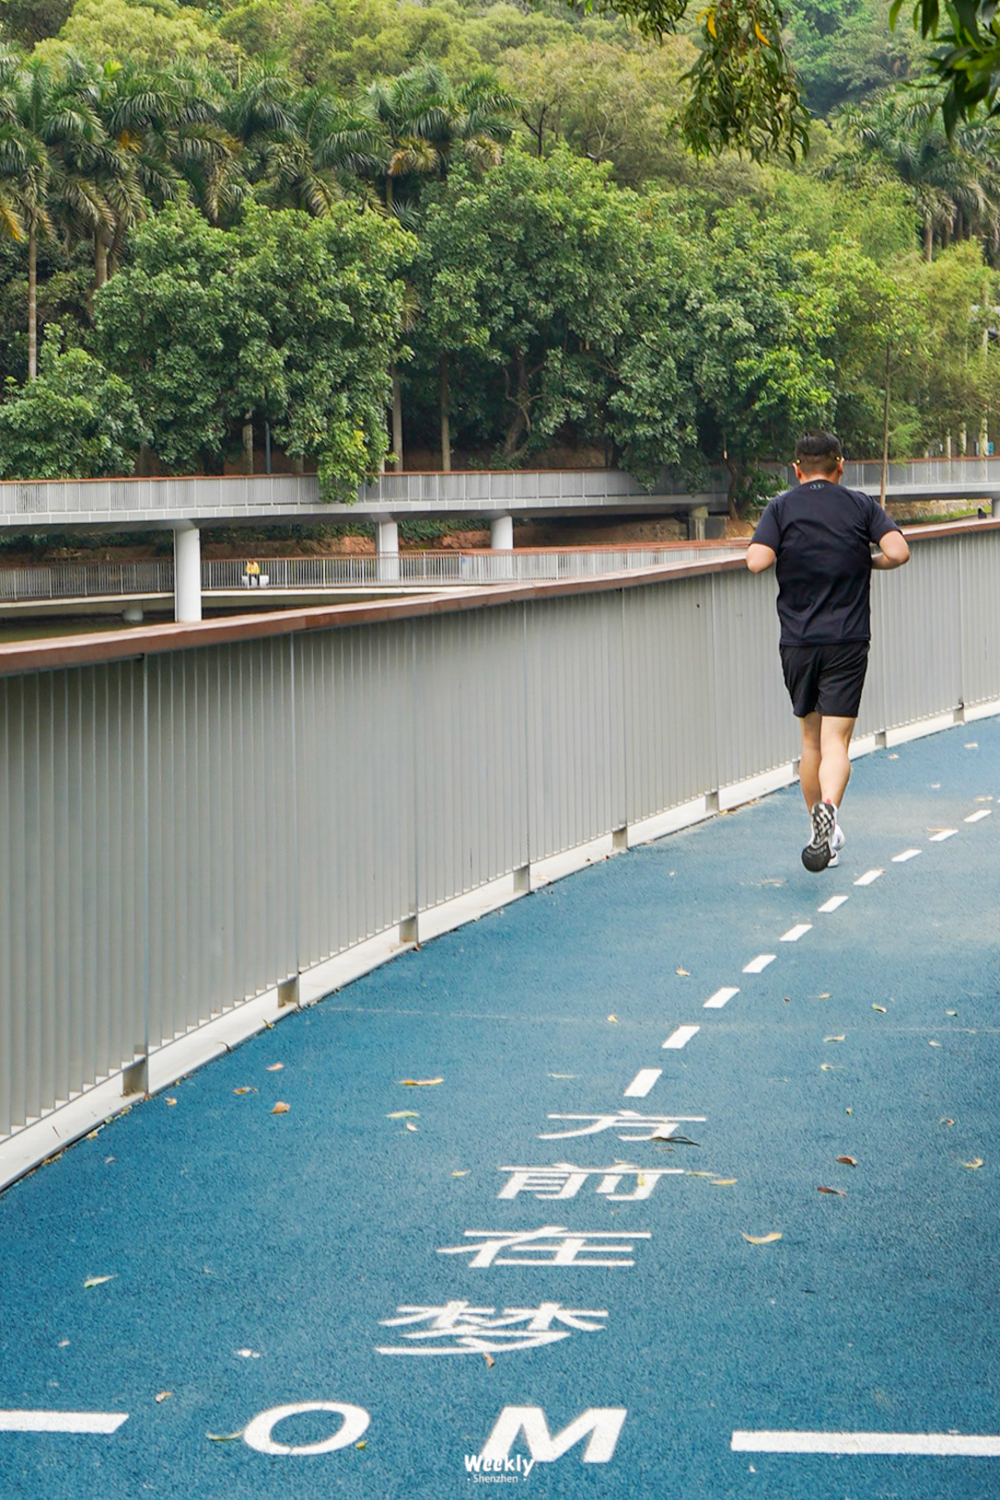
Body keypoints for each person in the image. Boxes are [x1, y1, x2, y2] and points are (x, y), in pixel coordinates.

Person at [746, 431, 911, 871]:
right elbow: (898, 552)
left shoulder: (781, 507)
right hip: (847, 638)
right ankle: (831, 810)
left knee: (811, 739)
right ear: (841, 466)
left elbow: (756, 561)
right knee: (836, 740)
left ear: (797, 469)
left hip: (798, 640)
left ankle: (819, 831)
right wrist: (867, 561)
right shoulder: (860, 505)